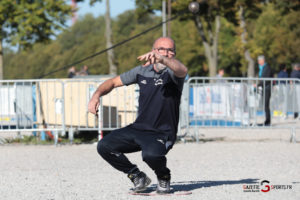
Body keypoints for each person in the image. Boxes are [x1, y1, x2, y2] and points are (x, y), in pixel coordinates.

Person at [88, 37, 187, 194]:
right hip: (139, 128)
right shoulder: (142, 71)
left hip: (162, 132)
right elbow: (113, 82)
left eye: (170, 50)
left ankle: (164, 177)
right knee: (104, 146)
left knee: (150, 155)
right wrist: (96, 95)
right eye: (162, 49)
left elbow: (182, 70)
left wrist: (163, 59)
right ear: (153, 51)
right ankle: (137, 176)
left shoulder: (174, 74)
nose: (166, 53)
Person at [257, 55, 273, 126]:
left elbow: (266, 78)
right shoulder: (262, 68)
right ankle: (267, 120)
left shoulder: (267, 67)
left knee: (266, 104)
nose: (258, 62)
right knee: (265, 105)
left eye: (259, 60)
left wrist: (259, 84)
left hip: (267, 87)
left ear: (263, 60)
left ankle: (268, 120)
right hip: (264, 87)